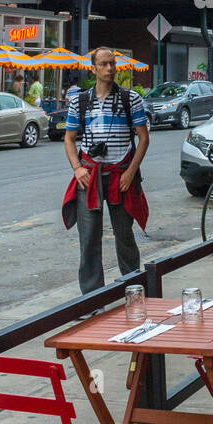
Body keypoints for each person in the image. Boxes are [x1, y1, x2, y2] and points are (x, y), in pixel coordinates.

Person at [62, 47, 149, 294]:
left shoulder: (130, 99)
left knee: (124, 236)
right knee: (88, 238)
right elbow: (69, 139)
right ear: (93, 68)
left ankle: (134, 289)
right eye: (104, 64)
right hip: (89, 176)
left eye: (112, 64)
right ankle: (91, 297)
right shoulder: (80, 101)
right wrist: (77, 168)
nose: (110, 69)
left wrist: (131, 172)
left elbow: (143, 139)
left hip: (121, 174)